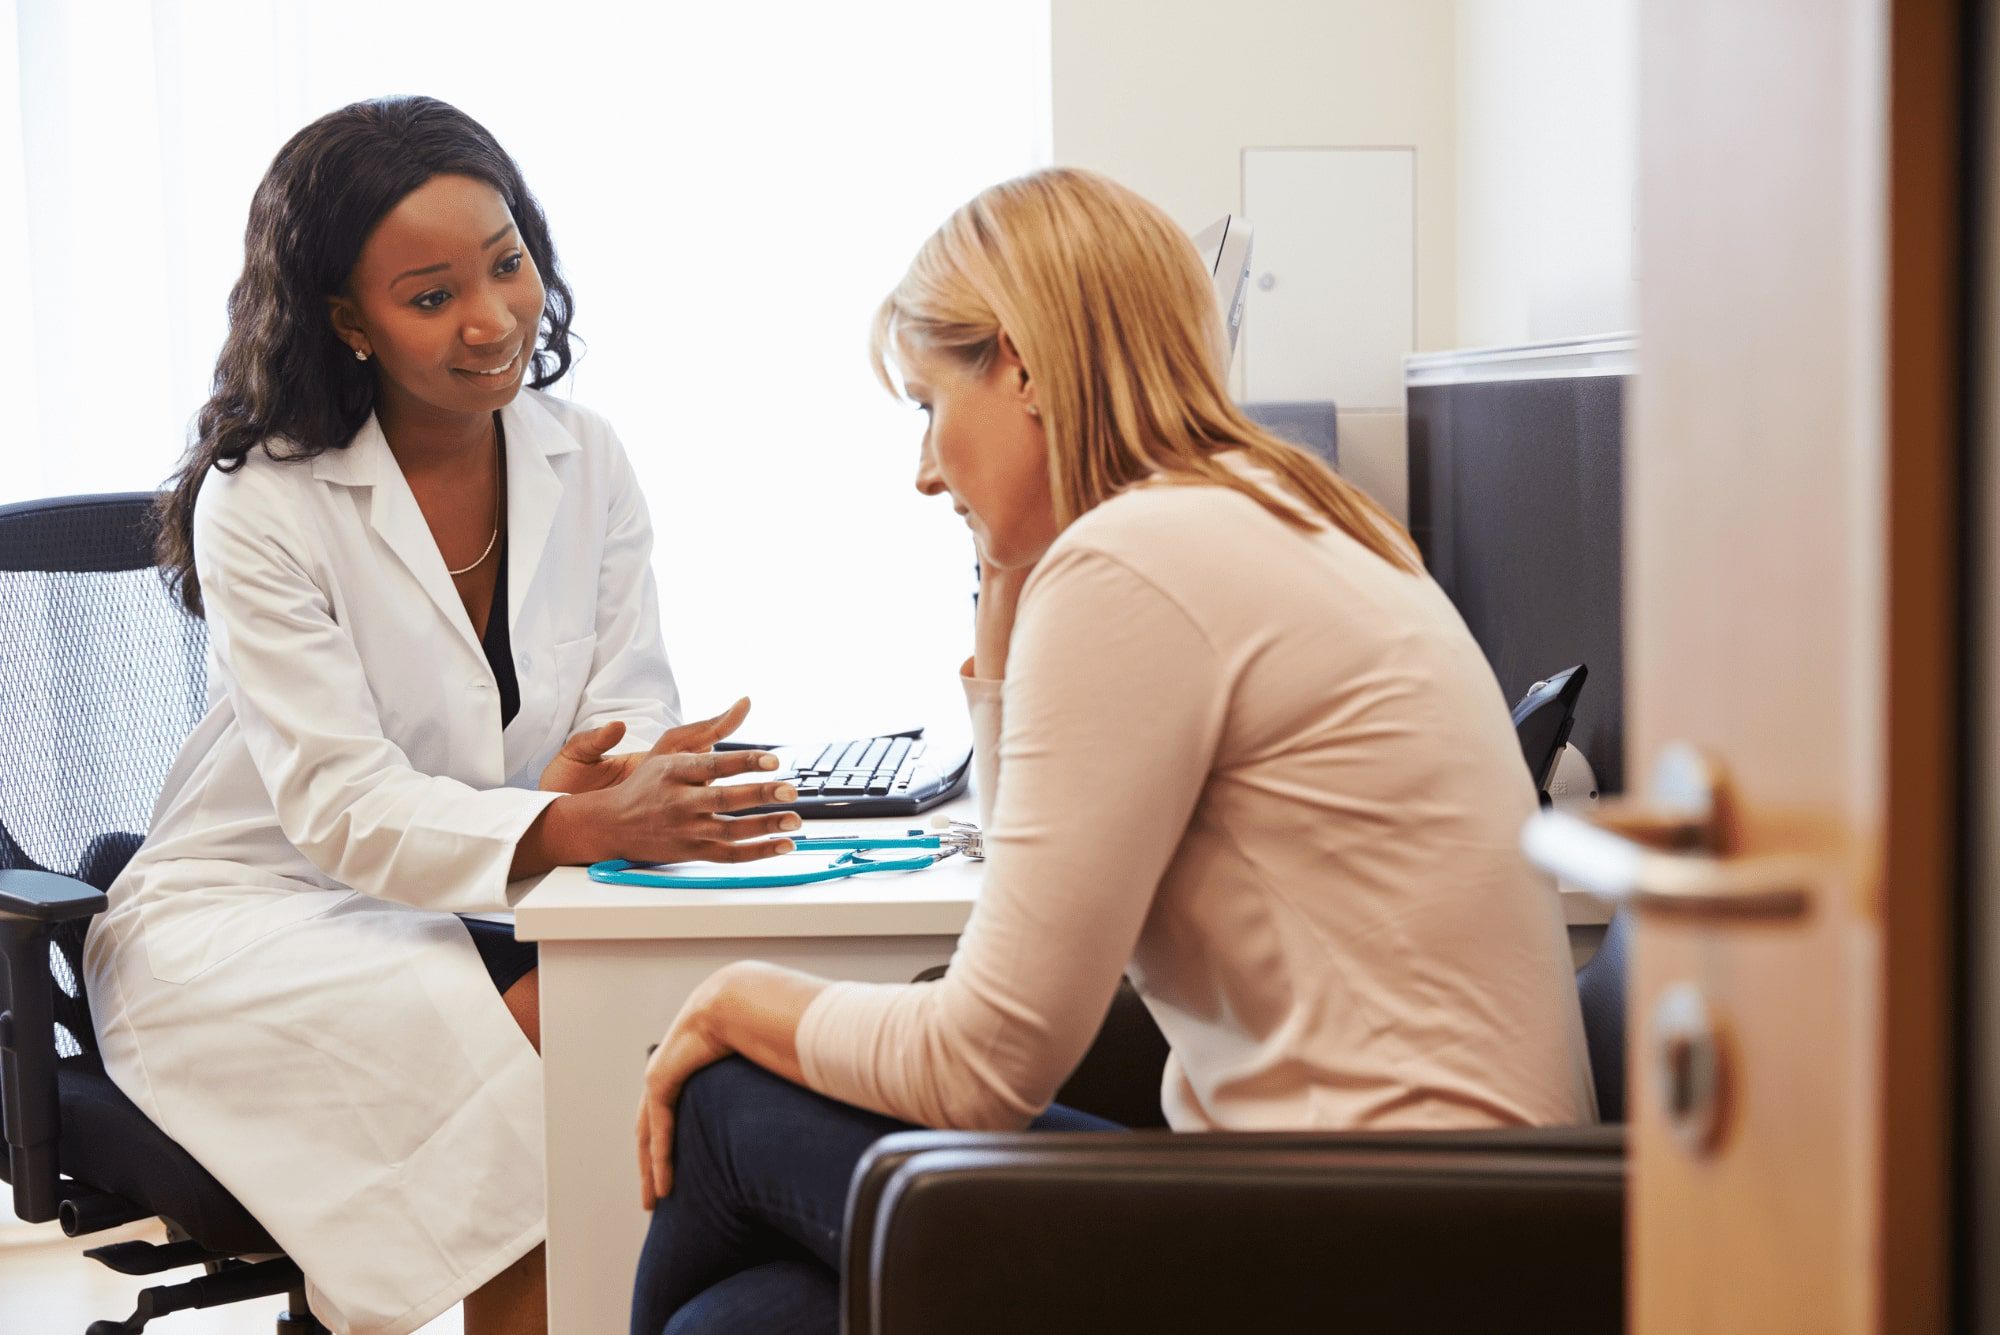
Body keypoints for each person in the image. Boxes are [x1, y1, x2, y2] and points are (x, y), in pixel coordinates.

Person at [626, 167, 1597, 1335]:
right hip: (1454, 1231)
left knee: (730, 1097)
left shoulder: (1139, 559)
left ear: (1022, 364)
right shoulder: (1269, 509)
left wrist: (733, 996)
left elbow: (977, 1071)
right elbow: (1026, 851)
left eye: (929, 407)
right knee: (747, 1317)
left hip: (1376, 1257)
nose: (924, 471)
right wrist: (1004, 601)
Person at [81, 96, 802, 1335]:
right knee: (544, 1051)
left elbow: (627, 693)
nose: (492, 319)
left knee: (605, 1022)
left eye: (508, 263)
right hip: (256, 917)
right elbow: (340, 808)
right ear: (346, 319)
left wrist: (602, 780)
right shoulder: (265, 504)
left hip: (478, 893)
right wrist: (562, 826)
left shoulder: (587, 456)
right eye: (430, 297)